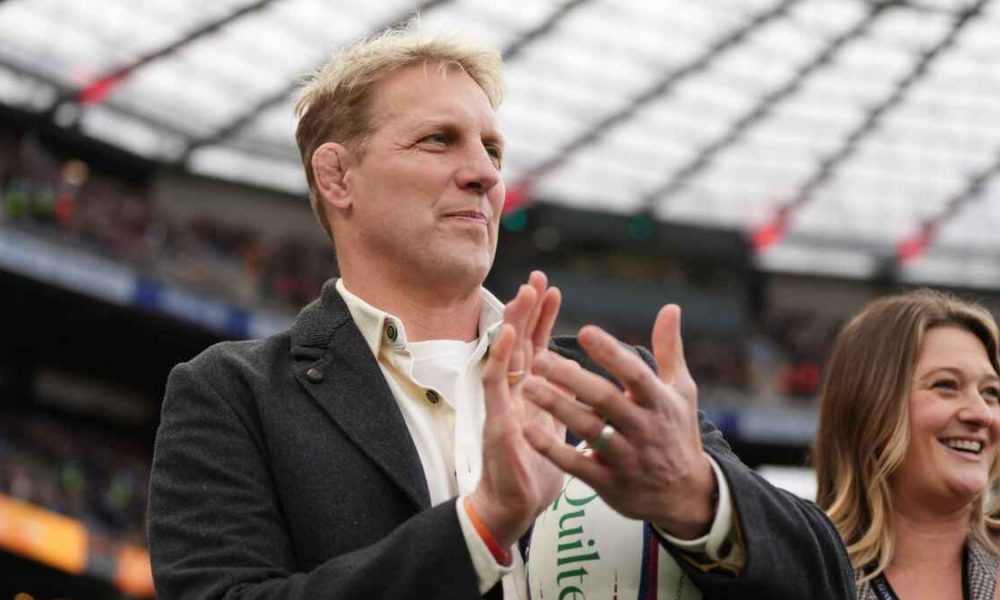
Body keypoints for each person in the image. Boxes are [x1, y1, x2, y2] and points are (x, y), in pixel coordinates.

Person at [148, 28, 853, 599]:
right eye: (439, 139)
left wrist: (698, 496)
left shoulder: (612, 386)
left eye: (492, 149)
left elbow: (829, 578)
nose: (485, 173)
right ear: (337, 176)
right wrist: (481, 528)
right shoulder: (235, 392)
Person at [814, 290, 1000, 599]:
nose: (981, 414)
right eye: (946, 385)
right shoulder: (801, 575)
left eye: (991, 392)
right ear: (871, 406)